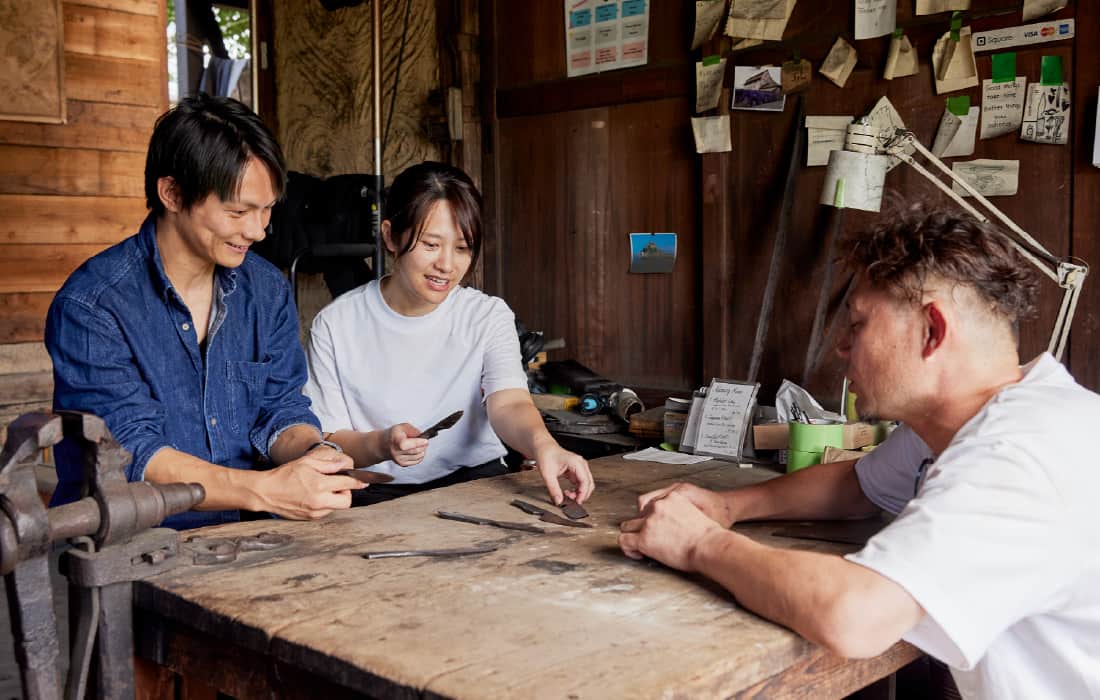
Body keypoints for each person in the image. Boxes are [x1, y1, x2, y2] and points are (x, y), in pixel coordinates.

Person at [618, 210, 1100, 699]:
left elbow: (855, 617)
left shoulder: (1017, 453)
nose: (842, 348)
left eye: (858, 323)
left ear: (932, 331)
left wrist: (700, 545)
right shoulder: (986, 416)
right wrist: (728, 507)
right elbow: (858, 485)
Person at [45, 94, 361, 529]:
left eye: (267, 209)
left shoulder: (266, 289)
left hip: (250, 535)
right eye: (238, 211)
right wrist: (266, 490)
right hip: (133, 546)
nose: (258, 230)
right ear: (172, 193)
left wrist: (313, 454)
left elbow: (280, 407)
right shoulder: (93, 305)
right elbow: (132, 451)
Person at [303, 161, 594, 506]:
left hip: (476, 484)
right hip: (376, 493)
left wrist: (544, 445)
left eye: (462, 248)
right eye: (430, 244)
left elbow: (510, 401)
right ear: (390, 236)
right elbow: (330, 438)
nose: (447, 265)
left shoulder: (487, 315)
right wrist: (382, 444)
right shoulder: (336, 324)